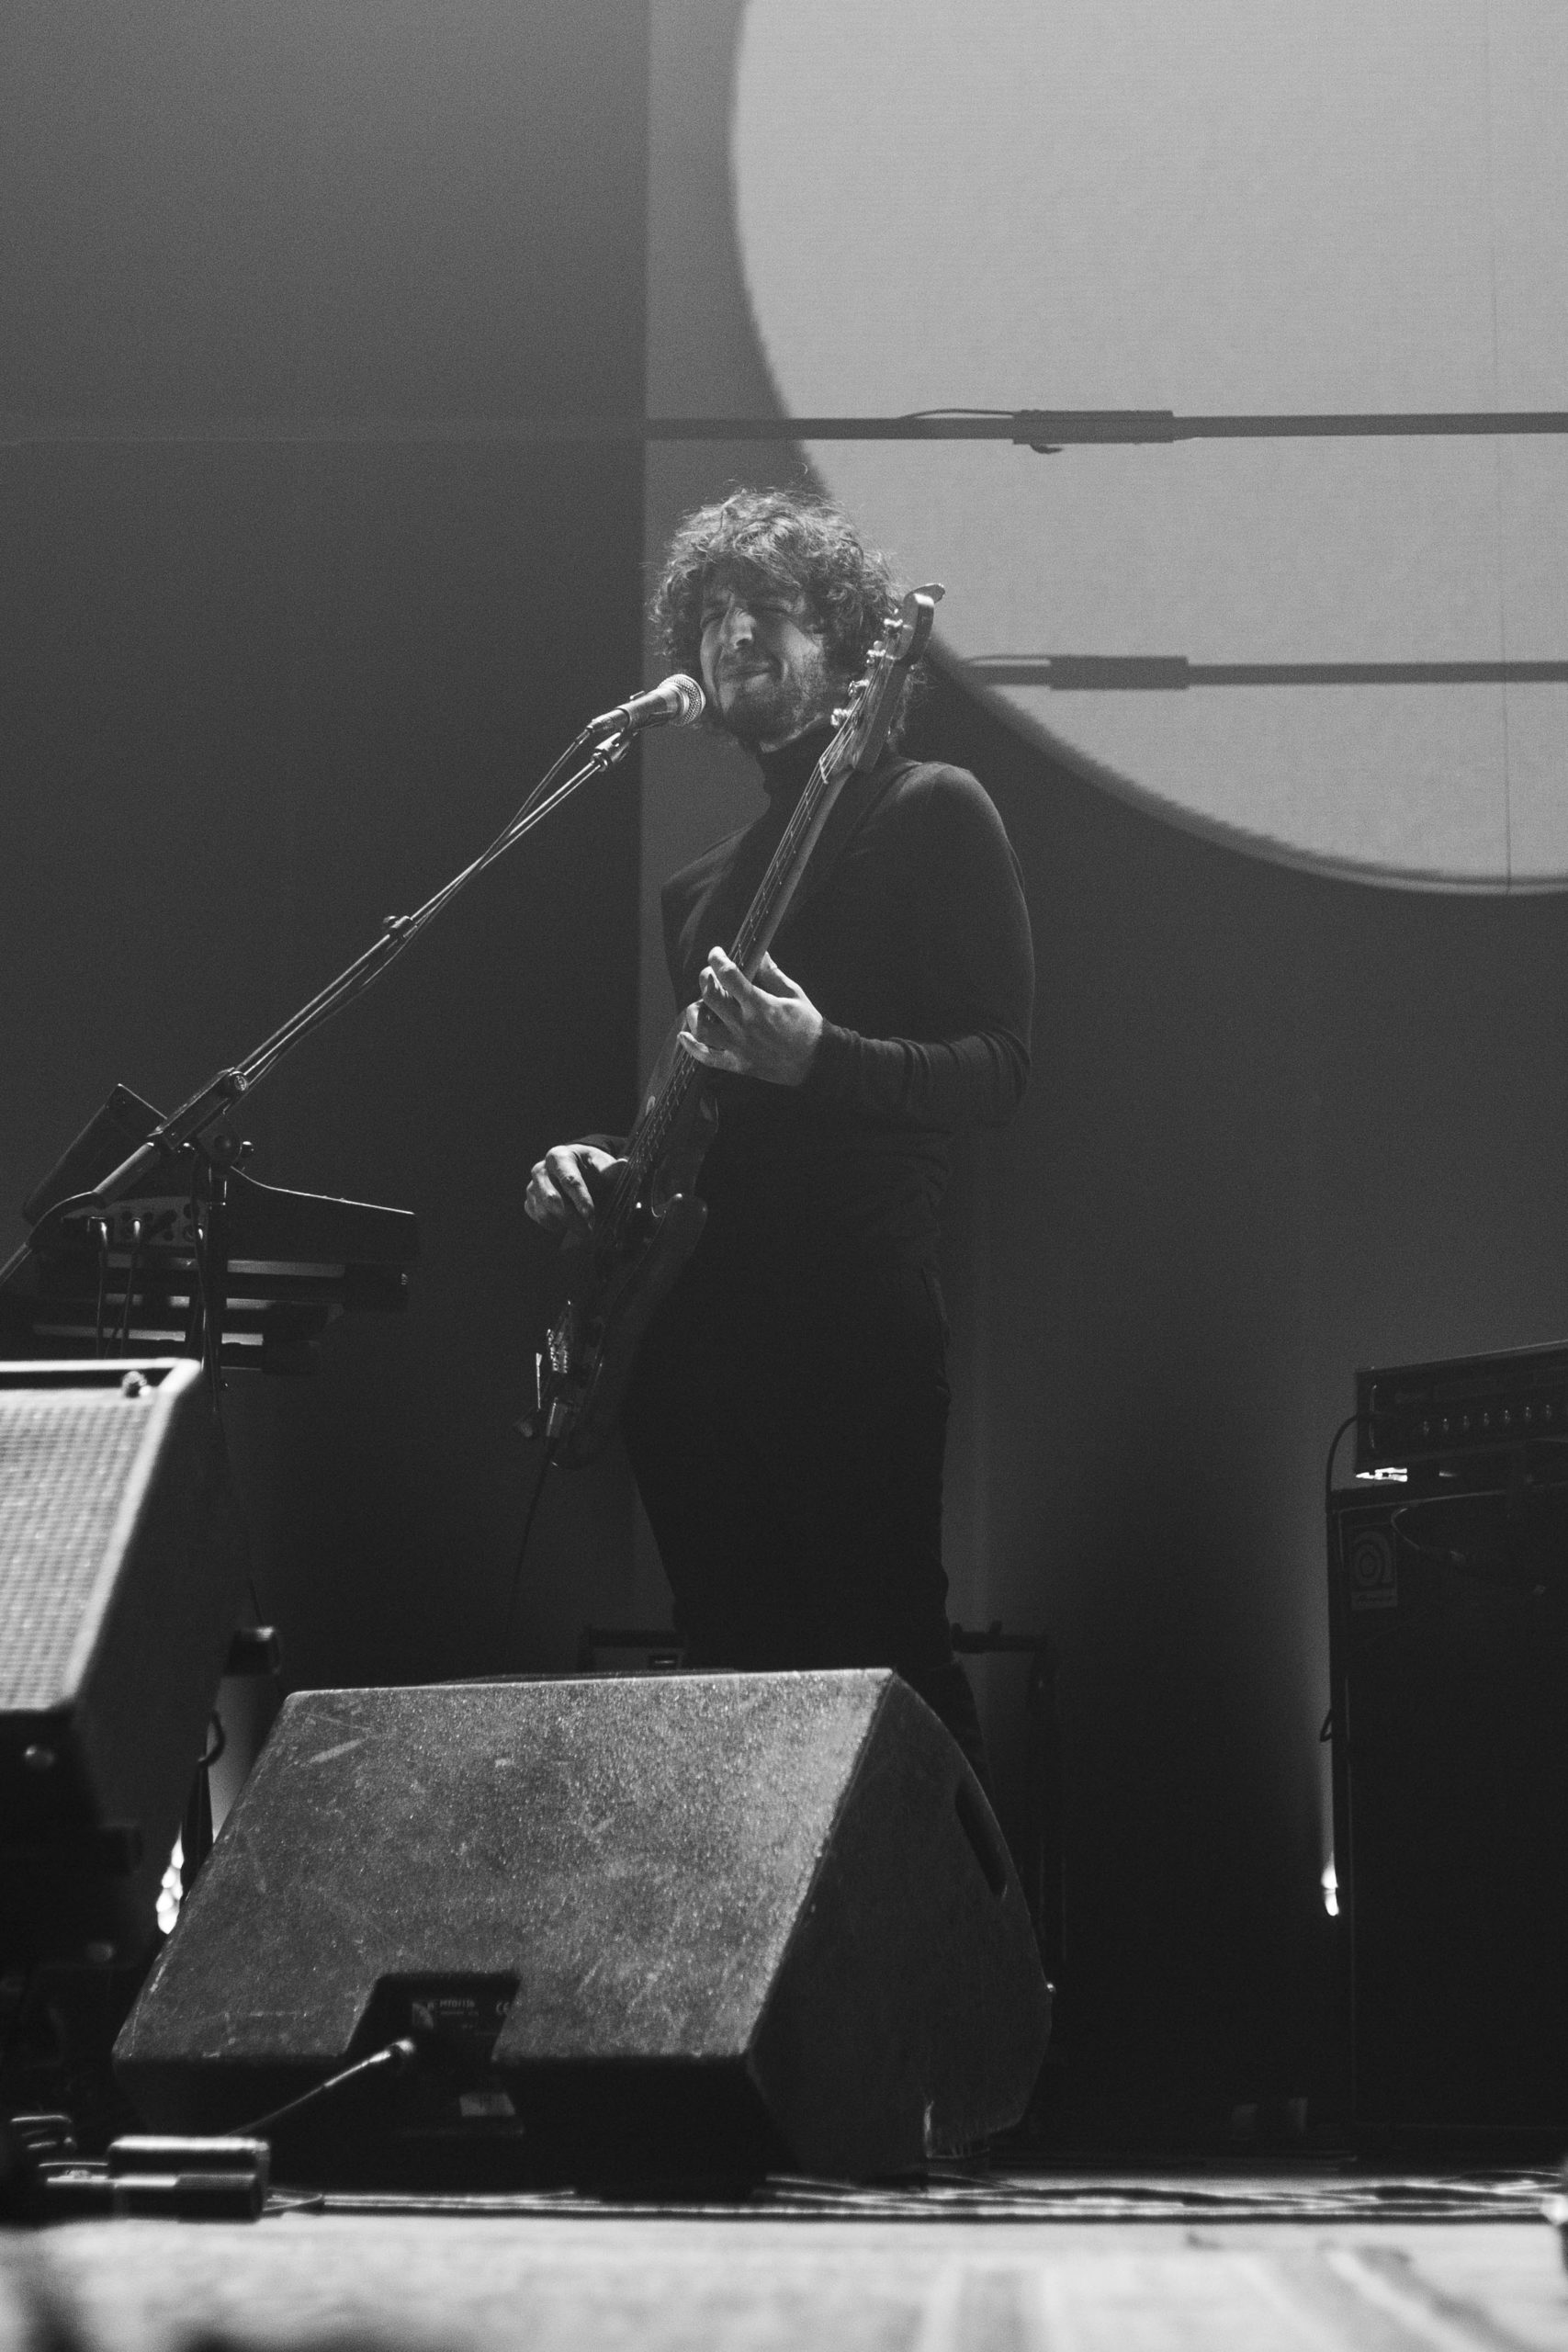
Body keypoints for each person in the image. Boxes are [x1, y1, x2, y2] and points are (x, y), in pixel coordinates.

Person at [525, 490, 1033, 1784]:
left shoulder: (933, 809)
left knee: (890, 1667)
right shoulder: (697, 892)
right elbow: (711, 1119)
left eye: (767, 606)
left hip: (852, 1319)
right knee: (733, 1681)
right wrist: (607, 1171)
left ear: (848, 640)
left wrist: (824, 1057)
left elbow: (999, 1069)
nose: (732, 631)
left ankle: (980, 1925)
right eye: (710, 613)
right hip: (693, 1339)